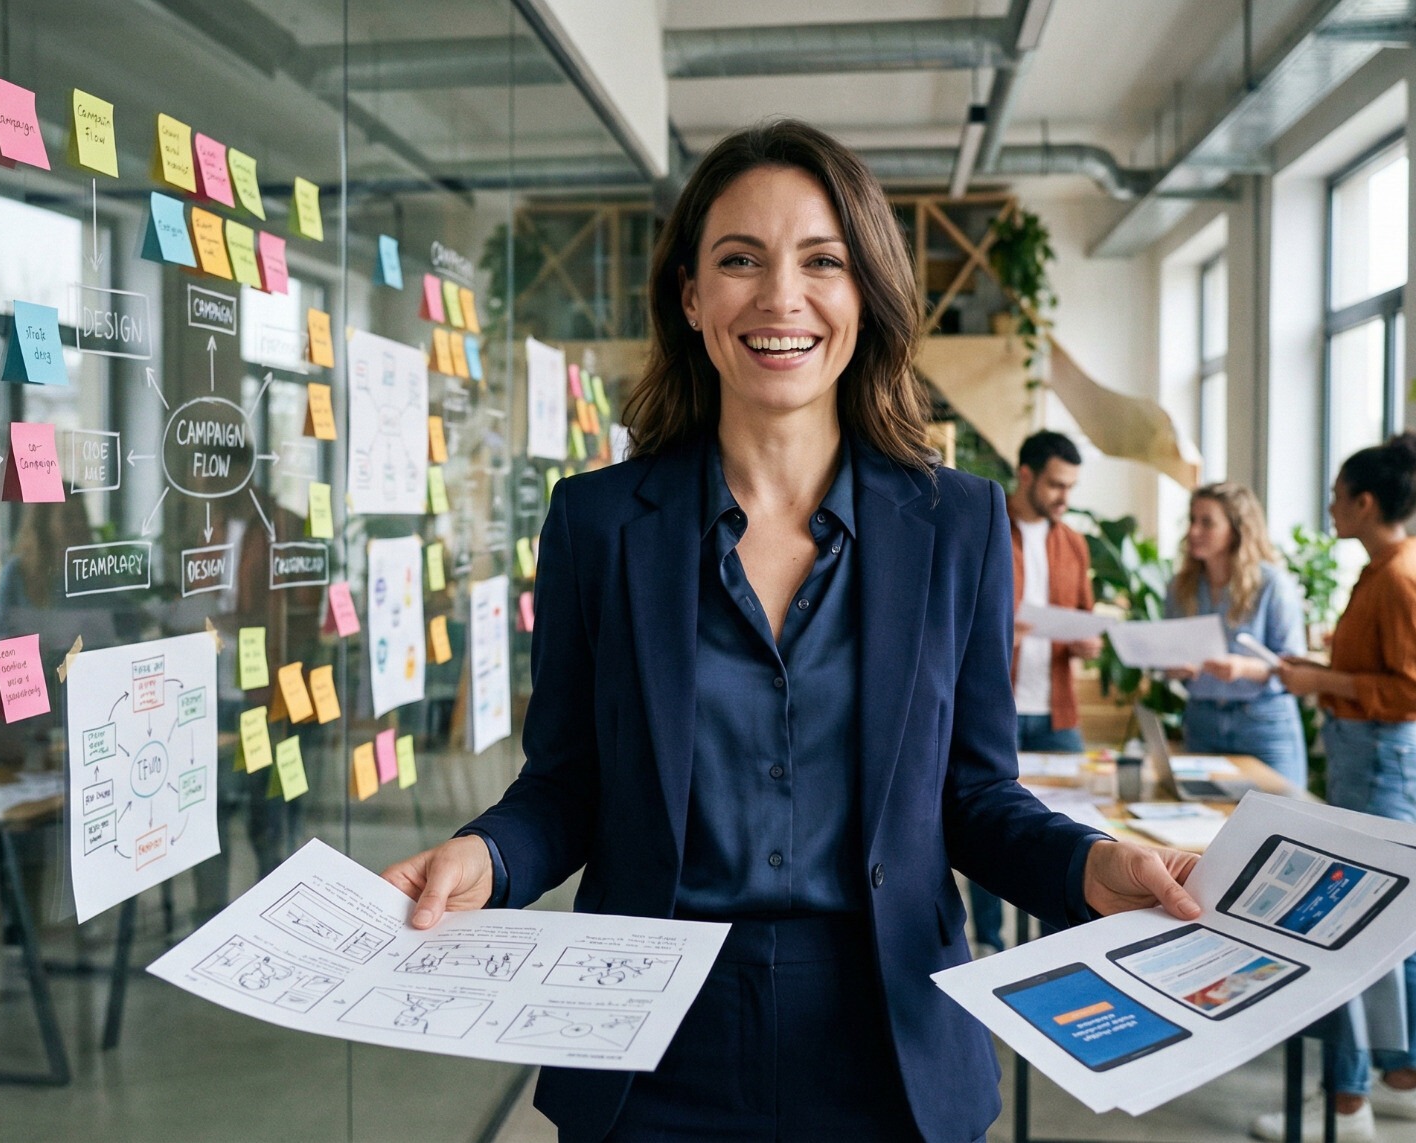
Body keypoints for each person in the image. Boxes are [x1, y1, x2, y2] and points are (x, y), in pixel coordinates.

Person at [382, 120, 1201, 1143]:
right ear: (689, 297)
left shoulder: (957, 523)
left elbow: (973, 794)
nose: (780, 299)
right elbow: (569, 783)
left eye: (822, 261)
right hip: (647, 1038)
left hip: (888, 1042)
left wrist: (1088, 866)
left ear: (865, 296)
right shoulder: (597, 522)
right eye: (739, 261)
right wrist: (485, 858)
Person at [1259, 432, 1416, 1143]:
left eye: (1338, 495)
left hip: (1384, 762)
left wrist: (1323, 681)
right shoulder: (1381, 569)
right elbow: (1377, 670)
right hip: (1372, 757)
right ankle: (1406, 1078)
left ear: (1366, 503)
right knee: (1393, 926)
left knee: (1352, 924)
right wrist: (1315, 670)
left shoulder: (1400, 578)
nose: (1330, 506)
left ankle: (1346, 1102)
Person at [967, 429, 1103, 953]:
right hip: (997, 708)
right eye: (1055, 484)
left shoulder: (1072, 543)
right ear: (1025, 475)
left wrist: (1087, 643)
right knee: (984, 829)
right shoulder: (984, 526)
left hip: (1057, 711)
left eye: (1071, 486)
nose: (1065, 498)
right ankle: (990, 948)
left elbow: (1083, 619)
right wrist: (1003, 630)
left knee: (1073, 829)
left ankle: (1059, 950)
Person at [1163, 482, 1309, 791]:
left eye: (1207, 522)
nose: (1193, 531)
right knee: (1204, 822)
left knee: (1279, 818)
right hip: (1202, 721)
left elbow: (1294, 666)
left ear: (1237, 529)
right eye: (1191, 520)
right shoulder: (1180, 587)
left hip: (1262, 724)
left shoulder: (1272, 585)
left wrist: (1241, 669)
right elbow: (1168, 653)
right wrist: (1173, 667)